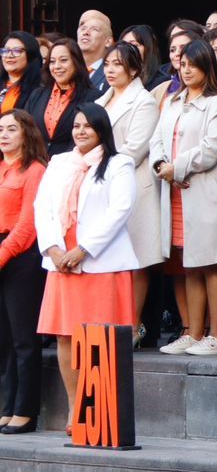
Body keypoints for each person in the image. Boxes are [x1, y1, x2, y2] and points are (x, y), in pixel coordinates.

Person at [34, 105, 139, 406]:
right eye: (77, 126)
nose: (80, 131)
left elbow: (120, 210)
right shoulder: (59, 162)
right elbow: (42, 208)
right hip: (62, 263)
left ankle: (101, 408)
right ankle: (75, 407)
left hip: (100, 262)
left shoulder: (119, 164)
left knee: (101, 338)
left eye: (87, 127)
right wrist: (53, 248)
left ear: (101, 130)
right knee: (65, 336)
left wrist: (84, 249)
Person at [151, 42, 217, 356]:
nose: (186, 70)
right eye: (183, 64)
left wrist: (176, 167)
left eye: (193, 64)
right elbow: (157, 140)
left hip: (207, 191)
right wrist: (160, 164)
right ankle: (194, 331)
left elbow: (213, 148)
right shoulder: (173, 101)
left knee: (213, 263)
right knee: (189, 264)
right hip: (177, 192)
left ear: (207, 67)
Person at [95, 42, 162, 329]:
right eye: (107, 64)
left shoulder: (143, 101)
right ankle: (112, 320)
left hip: (133, 184)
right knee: (109, 255)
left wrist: (98, 162)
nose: (110, 70)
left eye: (117, 64)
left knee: (136, 257)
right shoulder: (101, 99)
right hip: (102, 185)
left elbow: (135, 149)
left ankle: (133, 324)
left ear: (134, 68)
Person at [0, 111, 47, 434]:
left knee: (23, 339)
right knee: (3, 339)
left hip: (21, 257)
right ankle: (6, 407)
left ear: (26, 133)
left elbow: (27, 226)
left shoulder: (36, 170)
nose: (3, 134)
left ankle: (26, 410)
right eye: (0, 129)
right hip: (2, 253)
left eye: (11, 129)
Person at [23, 40, 96, 155]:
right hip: (36, 163)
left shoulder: (93, 97)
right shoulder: (37, 94)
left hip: (72, 165)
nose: (57, 66)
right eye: (52, 61)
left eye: (63, 60)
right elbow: (25, 129)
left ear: (76, 62)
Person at [0, 33, 42, 115]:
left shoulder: (39, 90)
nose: (9, 55)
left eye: (16, 51)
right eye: (5, 51)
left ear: (30, 55)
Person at [77, 10, 114, 92]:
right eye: (83, 28)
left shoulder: (112, 73)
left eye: (94, 29)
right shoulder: (68, 70)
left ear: (108, 41)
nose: (86, 32)